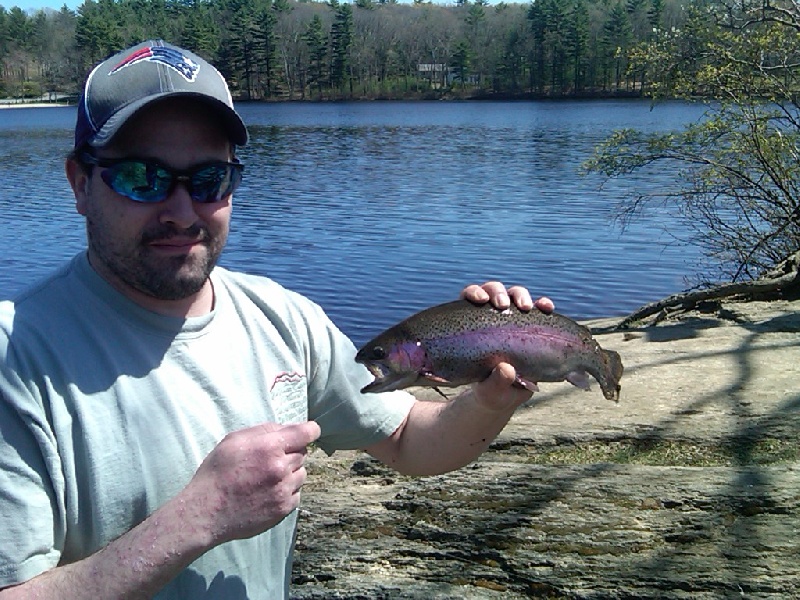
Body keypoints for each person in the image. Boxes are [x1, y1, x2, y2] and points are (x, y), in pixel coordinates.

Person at [0, 40, 554, 599]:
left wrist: (490, 397)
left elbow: (411, 441)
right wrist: (195, 521)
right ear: (79, 183)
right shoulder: (15, 356)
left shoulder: (282, 319)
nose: (183, 210)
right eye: (142, 178)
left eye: (210, 180)